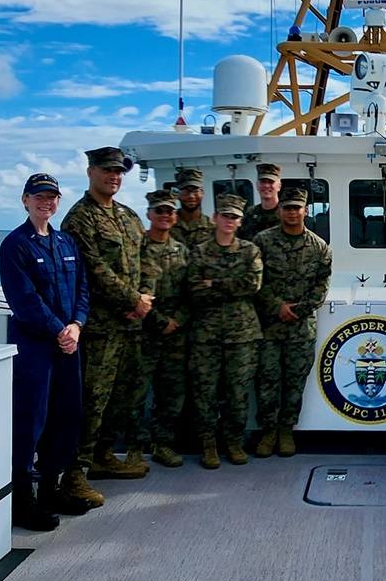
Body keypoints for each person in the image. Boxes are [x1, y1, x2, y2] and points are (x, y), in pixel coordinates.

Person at [0, 173, 92, 531]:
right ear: (25, 200)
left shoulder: (66, 242)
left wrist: (77, 325)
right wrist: (60, 330)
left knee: (66, 417)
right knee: (30, 422)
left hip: (68, 345)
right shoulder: (15, 245)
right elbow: (24, 301)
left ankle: (51, 488)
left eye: (52, 196)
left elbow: (82, 288)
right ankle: (22, 499)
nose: (46, 202)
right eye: (39, 196)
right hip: (36, 348)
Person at [60, 147, 153, 507]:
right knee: (91, 402)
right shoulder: (79, 220)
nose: (114, 176)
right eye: (107, 170)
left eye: (119, 172)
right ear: (90, 172)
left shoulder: (129, 217)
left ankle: (101, 458)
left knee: (124, 398)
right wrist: (133, 300)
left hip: (130, 326)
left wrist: (143, 298)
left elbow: (146, 260)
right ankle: (72, 476)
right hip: (99, 328)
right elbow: (94, 271)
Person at [252, 188, 333, 457]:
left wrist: (300, 310)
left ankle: (286, 430)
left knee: (295, 382)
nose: (292, 212)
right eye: (287, 207)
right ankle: (268, 431)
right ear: (279, 211)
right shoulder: (262, 242)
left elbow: (322, 285)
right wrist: (277, 307)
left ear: (305, 211)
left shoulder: (319, 247)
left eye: (297, 207)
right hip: (269, 326)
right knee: (267, 381)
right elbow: (255, 280)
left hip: (301, 327)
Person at [186, 194, 263, 468]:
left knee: (237, 392)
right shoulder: (198, 252)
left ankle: (232, 441)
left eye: (235, 216)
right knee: (205, 393)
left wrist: (213, 283)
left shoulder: (250, 251)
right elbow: (194, 290)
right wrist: (227, 285)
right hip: (206, 336)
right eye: (225, 215)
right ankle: (208, 444)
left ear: (240, 221)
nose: (229, 220)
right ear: (215, 218)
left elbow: (252, 285)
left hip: (242, 335)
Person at [130, 190, 190, 468]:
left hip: (174, 334)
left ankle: (162, 444)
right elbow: (131, 291)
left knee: (171, 393)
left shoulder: (181, 251)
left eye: (170, 211)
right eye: (160, 211)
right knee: (135, 392)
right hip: (143, 331)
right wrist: (158, 321)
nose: (165, 216)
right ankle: (133, 447)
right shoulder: (136, 249)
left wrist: (175, 320)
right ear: (149, 214)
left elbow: (191, 292)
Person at [170, 167, 214, 247]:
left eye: (195, 191)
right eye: (185, 191)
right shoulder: (168, 225)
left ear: (202, 193)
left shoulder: (213, 228)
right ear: (177, 194)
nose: (191, 196)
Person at [239, 163, 282, 241]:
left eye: (270, 182)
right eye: (263, 181)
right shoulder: (250, 214)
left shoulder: (285, 214)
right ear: (257, 185)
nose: (266, 185)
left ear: (279, 186)